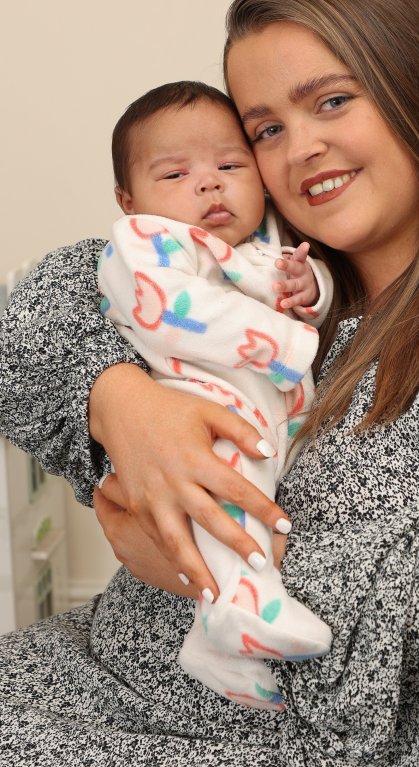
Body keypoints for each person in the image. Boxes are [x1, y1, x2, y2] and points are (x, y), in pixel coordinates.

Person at [0, 0, 419, 767]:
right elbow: (33, 318)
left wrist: (211, 557)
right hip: (116, 678)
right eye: (266, 128)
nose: (299, 148)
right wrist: (123, 404)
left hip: (296, 737)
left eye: (332, 100)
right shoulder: (270, 283)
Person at [97, 80, 333, 710]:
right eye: (175, 173)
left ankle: (217, 645)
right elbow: (172, 313)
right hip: (197, 406)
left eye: (230, 165)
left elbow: (313, 292)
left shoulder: (269, 241)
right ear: (130, 200)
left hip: (276, 413)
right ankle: (238, 607)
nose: (209, 183)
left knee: (260, 501)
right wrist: (287, 340)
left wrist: (311, 288)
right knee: (227, 498)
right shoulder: (145, 246)